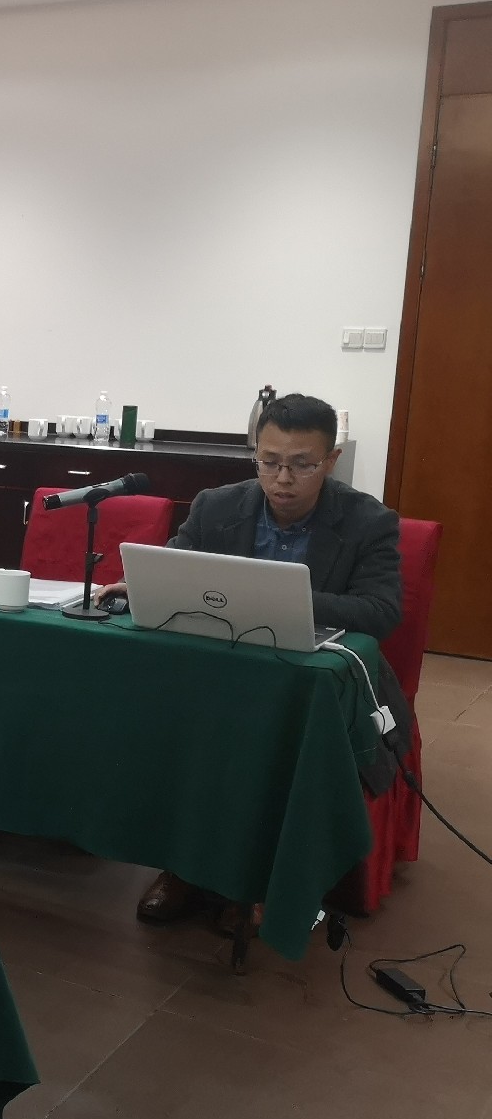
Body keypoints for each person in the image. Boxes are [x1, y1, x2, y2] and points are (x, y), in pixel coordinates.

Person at [109, 393, 404, 924]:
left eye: (302, 464)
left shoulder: (368, 521)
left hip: (309, 684)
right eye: (269, 461)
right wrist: (144, 585)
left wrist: (278, 595)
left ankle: (270, 878)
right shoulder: (216, 506)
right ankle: (181, 865)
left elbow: (381, 611)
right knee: (161, 717)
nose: (282, 478)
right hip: (220, 673)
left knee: (268, 737)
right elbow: (177, 568)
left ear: (331, 460)